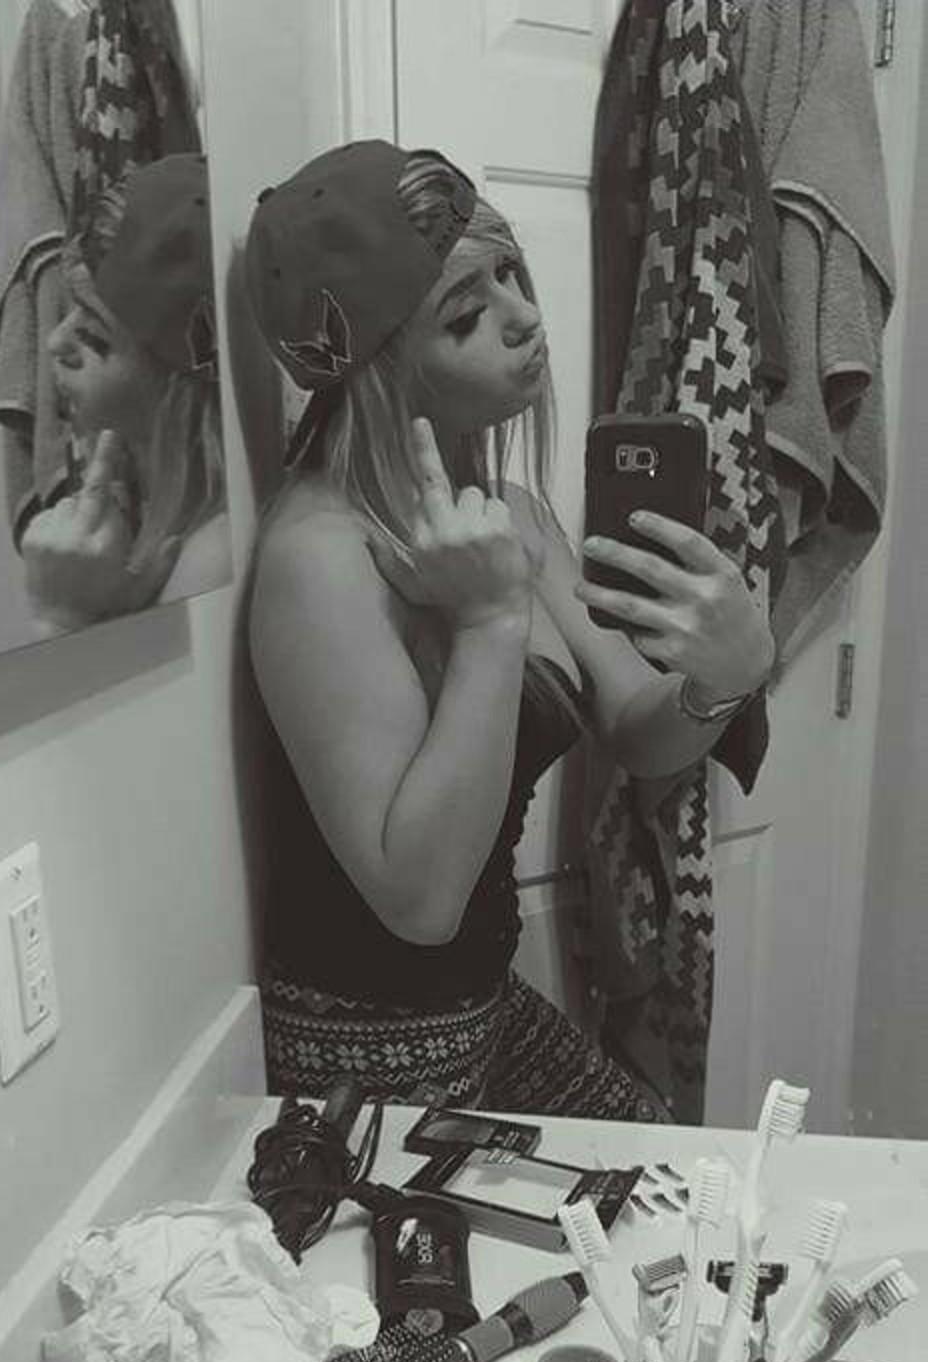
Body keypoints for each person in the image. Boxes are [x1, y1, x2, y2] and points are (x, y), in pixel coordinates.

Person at [242, 140, 775, 1119]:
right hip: (363, 1054)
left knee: (667, 1161)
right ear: (379, 368)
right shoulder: (318, 553)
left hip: (484, 1010)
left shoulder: (514, 513)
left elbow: (638, 729)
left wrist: (722, 681)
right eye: (465, 314)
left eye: (510, 274)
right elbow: (419, 900)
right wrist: (490, 620)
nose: (524, 316)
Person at [23, 151, 230, 627]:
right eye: (70, 313)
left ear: (180, 384)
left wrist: (60, 614)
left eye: (93, 332)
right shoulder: (169, 518)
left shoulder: (211, 558)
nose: (56, 342)